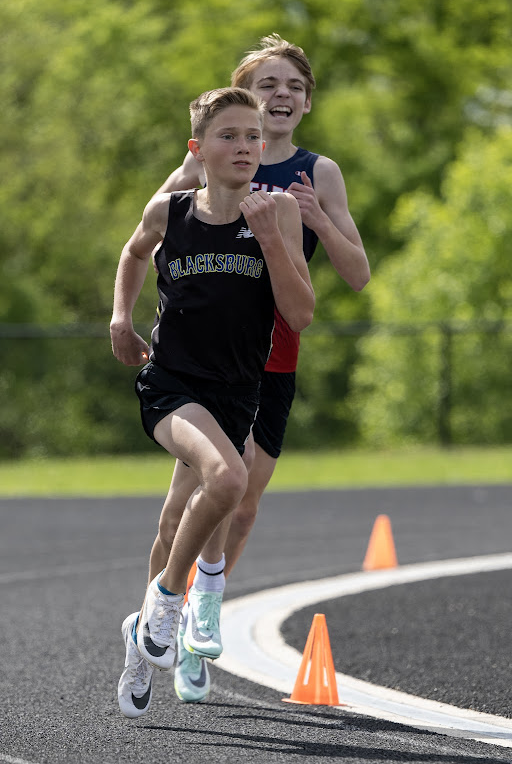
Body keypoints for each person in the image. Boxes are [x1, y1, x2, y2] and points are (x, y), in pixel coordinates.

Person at [154, 35, 371, 704]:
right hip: (203, 356)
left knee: (243, 505)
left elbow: (357, 275)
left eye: (293, 86)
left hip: (274, 355)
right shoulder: (216, 157)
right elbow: (151, 231)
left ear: (307, 102)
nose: (281, 95)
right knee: (181, 510)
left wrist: (316, 221)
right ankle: (164, 620)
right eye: (267, 84)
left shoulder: (318, 172)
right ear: (243, 96)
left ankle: (196, 620)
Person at [110, 86, 315, 719]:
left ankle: (140, 645)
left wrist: (272, 239)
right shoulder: (171, 211)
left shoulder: (277, 212)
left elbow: (301, 313)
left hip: (236, 392)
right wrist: (121, 318)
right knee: (227, 482)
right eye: (229, 136)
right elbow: (132, 251)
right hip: (170, 384)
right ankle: (171, 604)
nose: (246, 146)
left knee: (176, 521)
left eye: (254, 136)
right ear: (198, 149)